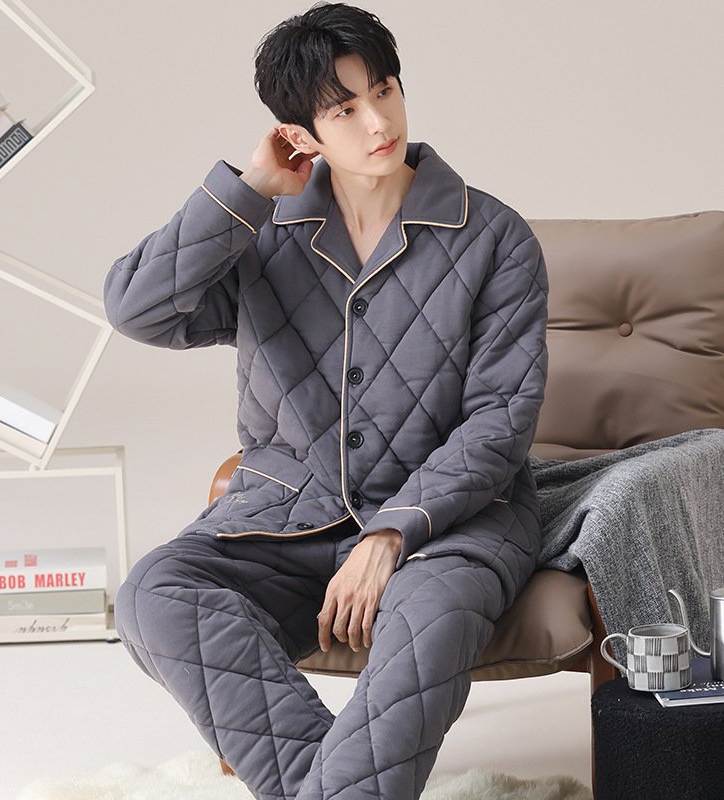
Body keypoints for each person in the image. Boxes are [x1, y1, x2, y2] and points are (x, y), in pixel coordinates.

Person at [104, 3, 548, 799]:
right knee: (152, 593)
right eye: (344, 110)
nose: (379, 122)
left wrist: (391, 531)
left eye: (384, 91)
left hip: (449, 526)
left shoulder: (495, 237)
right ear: (298, 133)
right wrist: (248, 191)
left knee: (431, 621)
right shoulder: (261, 229)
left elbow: (499, 420)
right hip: (286, 515)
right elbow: (138, 310)